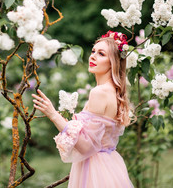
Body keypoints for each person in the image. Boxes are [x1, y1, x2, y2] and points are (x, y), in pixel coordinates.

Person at [32, 31, 134, 187]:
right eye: (93, 51)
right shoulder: (112, 91)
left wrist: (53, 115)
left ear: (113, 61)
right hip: (110, 164)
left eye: (101, 54)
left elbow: (86, 146)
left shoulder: (99, 92)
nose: (92, 56)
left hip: (96, 170)